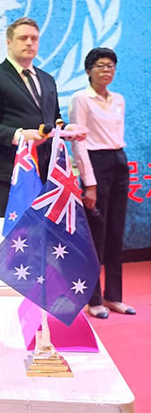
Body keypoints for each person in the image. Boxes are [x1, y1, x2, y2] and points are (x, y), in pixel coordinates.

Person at [0, 17, 63, 217]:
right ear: (8, 42)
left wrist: (66, 130)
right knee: (17, 233)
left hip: (48, 171)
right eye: (23, 38)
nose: (29, 43)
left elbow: (54, 117)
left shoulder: (47, 79)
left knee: (47, 231)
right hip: (11, 171)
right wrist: (19, 136)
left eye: (34, 38)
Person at [69, 48, 135, 319]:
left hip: (119, 161)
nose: (106, 70)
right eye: (100, 65)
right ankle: (93, 299)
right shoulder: (81, 99)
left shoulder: (118, 99)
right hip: (96, 163)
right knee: (96, 234)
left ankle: (114, 296)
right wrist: (90, 183)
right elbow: (79, 143)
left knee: (116, 233)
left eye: (111, 66)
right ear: (88, 70)